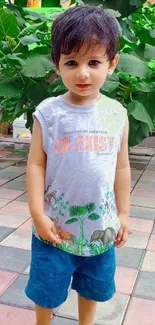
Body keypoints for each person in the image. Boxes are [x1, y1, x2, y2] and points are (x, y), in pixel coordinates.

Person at [25, 5, 131, 325]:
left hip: (101, 227)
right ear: (57, 65)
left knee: (92, 288)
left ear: (111, 64)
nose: (82, 73)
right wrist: (37, 214)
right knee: (47, 289)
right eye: (71, 62)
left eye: (94, 62)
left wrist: (124, 213)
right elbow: (35, 166)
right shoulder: (48, 113)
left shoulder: (117, 114)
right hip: (54, 230)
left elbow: (122, 167)